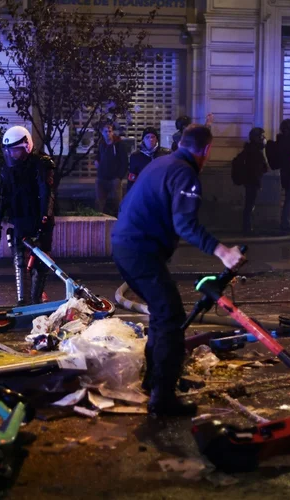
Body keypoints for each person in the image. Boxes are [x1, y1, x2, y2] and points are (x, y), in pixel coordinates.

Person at [112, 124, 244, 417]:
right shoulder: (185, 173)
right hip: (139, 249)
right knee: (171, 315)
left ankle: (154, 382)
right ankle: (163, 398)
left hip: (125, 245)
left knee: (162, 313)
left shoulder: (162, 163)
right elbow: (185, 224)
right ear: (206, 150)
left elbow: (129, 204)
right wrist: (222, 252)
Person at [0, 125, 57, 305]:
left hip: (39, 218)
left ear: (26, 146)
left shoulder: (41, 164)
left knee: (40, 261)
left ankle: (36, 298)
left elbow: (47, 192)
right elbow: (4, 193)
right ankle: (23, 299)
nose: (12, 155)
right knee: (19, 259)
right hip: (20, 217)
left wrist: (45, 216)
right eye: (9, 151)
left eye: (16, 150)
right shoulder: (9, 169)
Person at [231, 127, 270, 234]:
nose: (264, 139)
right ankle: (247, 228)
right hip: (252, 182)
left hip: (251, 181)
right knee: (250, 205)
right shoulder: (254, 151)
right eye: (261, 136)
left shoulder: (251, 150)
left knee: (250, 204)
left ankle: (248, 227)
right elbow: (259, 168)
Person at [94, 122, 128, 214]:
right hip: (101, 178)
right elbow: (98, 154)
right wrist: (96, 160)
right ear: (102, 132)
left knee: (118, 204)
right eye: (106, 131)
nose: (108, 133)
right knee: (99, 204)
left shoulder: (118, 144)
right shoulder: (101, 143)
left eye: (110, 131)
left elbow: (124, 162)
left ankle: (120, 223)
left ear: (112, 132)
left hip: (114, 179)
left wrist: (119, 177)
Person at [127, 127, 170, 191]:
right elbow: (132, 179)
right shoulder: (135, 157)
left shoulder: (164, 155)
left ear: (156, 139)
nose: (150, 139)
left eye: (153, 137)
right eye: (147, 137)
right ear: (143, 140)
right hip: (143, 191)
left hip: (160, 190)